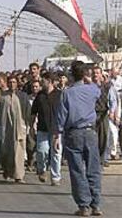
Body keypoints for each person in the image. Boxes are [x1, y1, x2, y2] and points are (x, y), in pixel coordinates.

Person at [54, 61, 103, 216]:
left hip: (73, 133)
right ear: (84, 74)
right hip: (90, 132)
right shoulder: (92, 90)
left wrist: (57, 136)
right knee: (93, 169)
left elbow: (61, 117)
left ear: (71, 75)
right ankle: (95, 204)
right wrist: (88, 79)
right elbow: (98, 90)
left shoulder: (67, 93)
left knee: (77, 170)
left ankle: (84, 206)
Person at [31, 72, 63, 186]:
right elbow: (33, 112)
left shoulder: (60, 95)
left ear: (49, 81)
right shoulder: (40, 96)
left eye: (43, 81)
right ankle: (42, 170)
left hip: (56, 130)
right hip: (42, 129)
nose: (41, 82)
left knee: (56, 153)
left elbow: (63, 112)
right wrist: (31, 126)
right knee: (42, 151)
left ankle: (55, 177)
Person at [0, 75, 30, 183]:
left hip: (19, 128)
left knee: (19, 151)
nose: (12, 84)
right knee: (6, 151)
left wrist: (26, 126)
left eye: (14, 82)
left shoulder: (22, 96)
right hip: (5, 128)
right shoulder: (2, 97)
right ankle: (7, 172)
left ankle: (19, 175)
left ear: (17, 83)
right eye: (10, 82)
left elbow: (27, 111)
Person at [92, 66, 117, 166]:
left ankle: (102, 158)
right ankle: (95, 159)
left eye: (97, 73)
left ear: (101, 74)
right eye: (94, 73)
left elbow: (113, 100)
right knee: (93, 138)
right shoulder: (89, 86)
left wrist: (112, 111)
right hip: (92, 115)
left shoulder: (107, 86)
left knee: (104, 137)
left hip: (103, 114)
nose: (95, 75)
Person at [26, 80, 40, 172]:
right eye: (33, 87)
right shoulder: (28, 99)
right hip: (30, 124)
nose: (35, 88)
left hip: (41, 124)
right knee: (31, 146)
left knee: (40, 146)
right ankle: (30, 162)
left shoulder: (42, 98)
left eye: (36, 86)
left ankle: (38, 164)